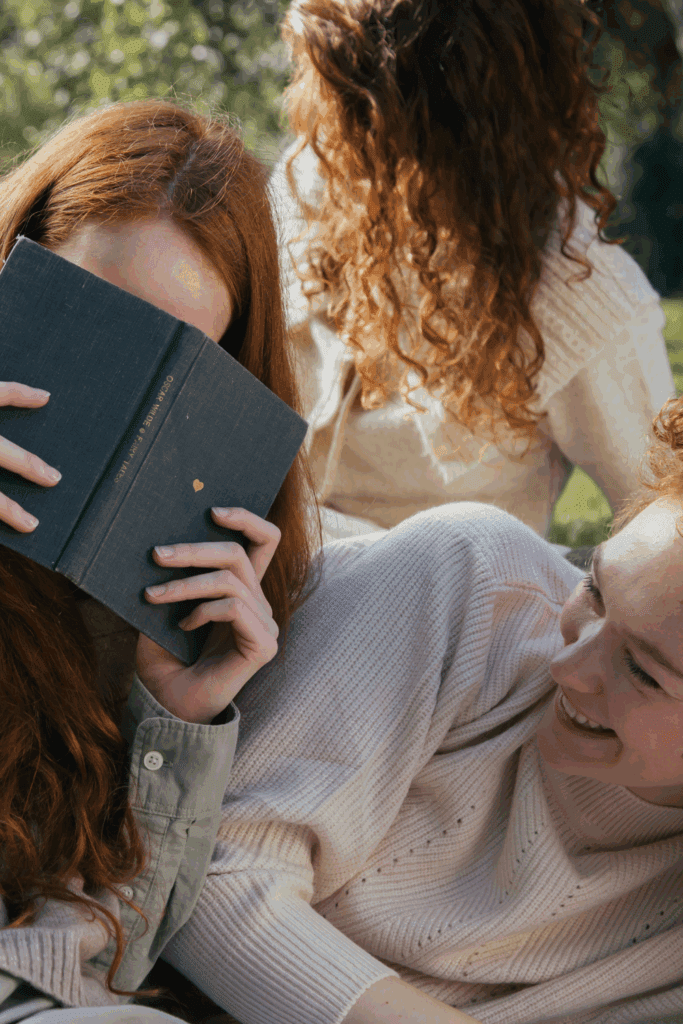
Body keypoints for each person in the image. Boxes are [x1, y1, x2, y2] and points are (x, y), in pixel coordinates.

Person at [160, 385, 683, 1024]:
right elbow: (204, 872)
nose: (568, 666)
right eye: (596, 590)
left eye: (643, 672)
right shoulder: (467, 582)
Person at [0, 98, 319, 1022]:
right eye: (97, 325)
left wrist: (174, 717)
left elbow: (117, 957)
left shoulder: (182, 575)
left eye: (176, 353)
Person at [269, 0, 676, 544]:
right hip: (253, 578)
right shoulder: (311, 187)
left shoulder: (581, 293)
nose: (336, 129)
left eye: (364, 105)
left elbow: (667, 529)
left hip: (436, 610)